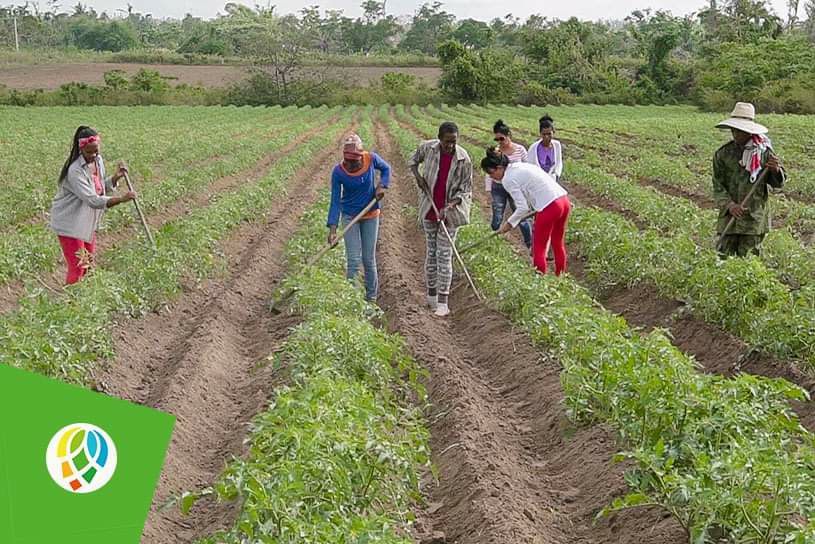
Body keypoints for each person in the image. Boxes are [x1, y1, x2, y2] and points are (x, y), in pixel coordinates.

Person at [49, 126, 135, 285]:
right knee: (78, 267)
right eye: (89, 152)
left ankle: (83, 301)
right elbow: (93, 200)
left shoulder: (98, 161)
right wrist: (121, 199)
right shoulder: (74, 171)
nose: (94, 155)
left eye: (96, 151)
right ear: (81, 148)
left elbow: (100, 187)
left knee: (88, 264)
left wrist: (116, 177)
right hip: (70, 224)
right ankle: (72, 305)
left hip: (86, 222)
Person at [409, 122, 473, 317]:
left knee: (444, 254)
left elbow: (466, 189)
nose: (450, 146)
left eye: (454, 142)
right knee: (432, 251)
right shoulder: (427, 148)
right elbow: (413, 161)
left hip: (449, 214)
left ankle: (443, 302)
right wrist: (418, 177)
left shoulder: (463, 159)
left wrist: (449, 206)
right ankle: (431, 296)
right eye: (447, 142)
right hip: (429, 207)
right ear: (439, 139)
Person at [482, 148, 571, 276]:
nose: (491, 177)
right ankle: (560, 277)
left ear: (500, 167)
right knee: (557, 242)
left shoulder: (508, 179)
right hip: (563, 200)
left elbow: (523, 207)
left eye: (491, 172)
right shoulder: (520, 166)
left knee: (539, 248)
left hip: (549, 206)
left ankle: (540, 282)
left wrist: (509, 224)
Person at [713, 102, 786, 258]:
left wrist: (775, 170)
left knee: (749, 262)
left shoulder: (764, 153)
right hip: (729, 218)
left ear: (749, 131)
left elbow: (778, 184)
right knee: (722, 259)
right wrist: (730, 205)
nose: (736, 134)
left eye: (740, 130)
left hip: (753, 219)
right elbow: (718, 185)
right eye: (734, 130)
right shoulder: (723, 154)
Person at [327, 133, 390, 302]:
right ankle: (351, 301)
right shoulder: (338, 172)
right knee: (353, 260)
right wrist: (333, 230)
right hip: (350, 216)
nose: (351, 164)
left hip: (371, 214)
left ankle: (371, 299)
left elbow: (386, 169)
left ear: (361, 156)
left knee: (368, 259)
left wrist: (381, 186)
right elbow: (335, 201)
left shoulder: (371, 159)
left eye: (355, 160)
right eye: (348, 160)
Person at [488, 120, 532, 249]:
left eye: (501, 138)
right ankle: (493, 241)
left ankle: (530, 244)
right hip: (499, 186)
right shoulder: (496, 152)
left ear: (509, 136)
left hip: (516, 187)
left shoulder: (520, 150)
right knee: (497, 213)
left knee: (522, 215)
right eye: (497, 139)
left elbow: (528, 167)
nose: (500, 142)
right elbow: (489, 170)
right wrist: (487, 188)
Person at [527, 115, 563, 181]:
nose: (546, 137)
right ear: (540, 134)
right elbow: (529, 167)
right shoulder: (533, 148)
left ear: (553, 132)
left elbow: (559, 162)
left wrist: (557, 175)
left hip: (552, 180)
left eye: (549, 134)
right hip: (537, 181)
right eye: (544, 134)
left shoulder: (557, 145)